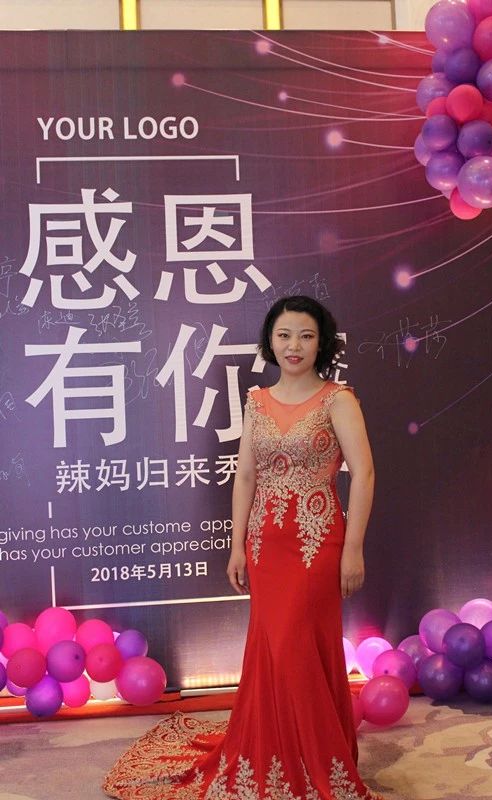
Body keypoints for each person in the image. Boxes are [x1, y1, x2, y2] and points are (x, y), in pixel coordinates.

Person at [104, 295, 380, 800]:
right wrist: (236, 546)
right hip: (265, 544)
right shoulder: (257, 400)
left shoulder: (338, 400)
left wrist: (354, 548)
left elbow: (362, 474)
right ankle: (276, 754)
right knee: (272, 648)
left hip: (316, 540)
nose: (294, 346)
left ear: (321, 343)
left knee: (300, 645)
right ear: (270, 341)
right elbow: (246, 475)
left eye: (306, 336)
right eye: (284, 335)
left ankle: (319, 760)